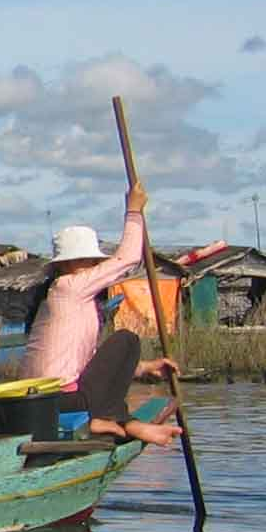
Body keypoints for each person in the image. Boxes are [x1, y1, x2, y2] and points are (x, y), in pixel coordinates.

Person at [23, 186, 182, 448]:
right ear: (62, 266)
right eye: (82, 261)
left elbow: (88, 365)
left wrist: (144, 367)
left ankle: (115, 420)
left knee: (122, 351)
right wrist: (134, 211)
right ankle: (114, 420)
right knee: (126, 339)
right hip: (60, 401)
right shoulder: (68, 286)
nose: (91, 268)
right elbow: (128, 257)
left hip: (50, 402)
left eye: (92, 262)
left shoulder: (63, 300)